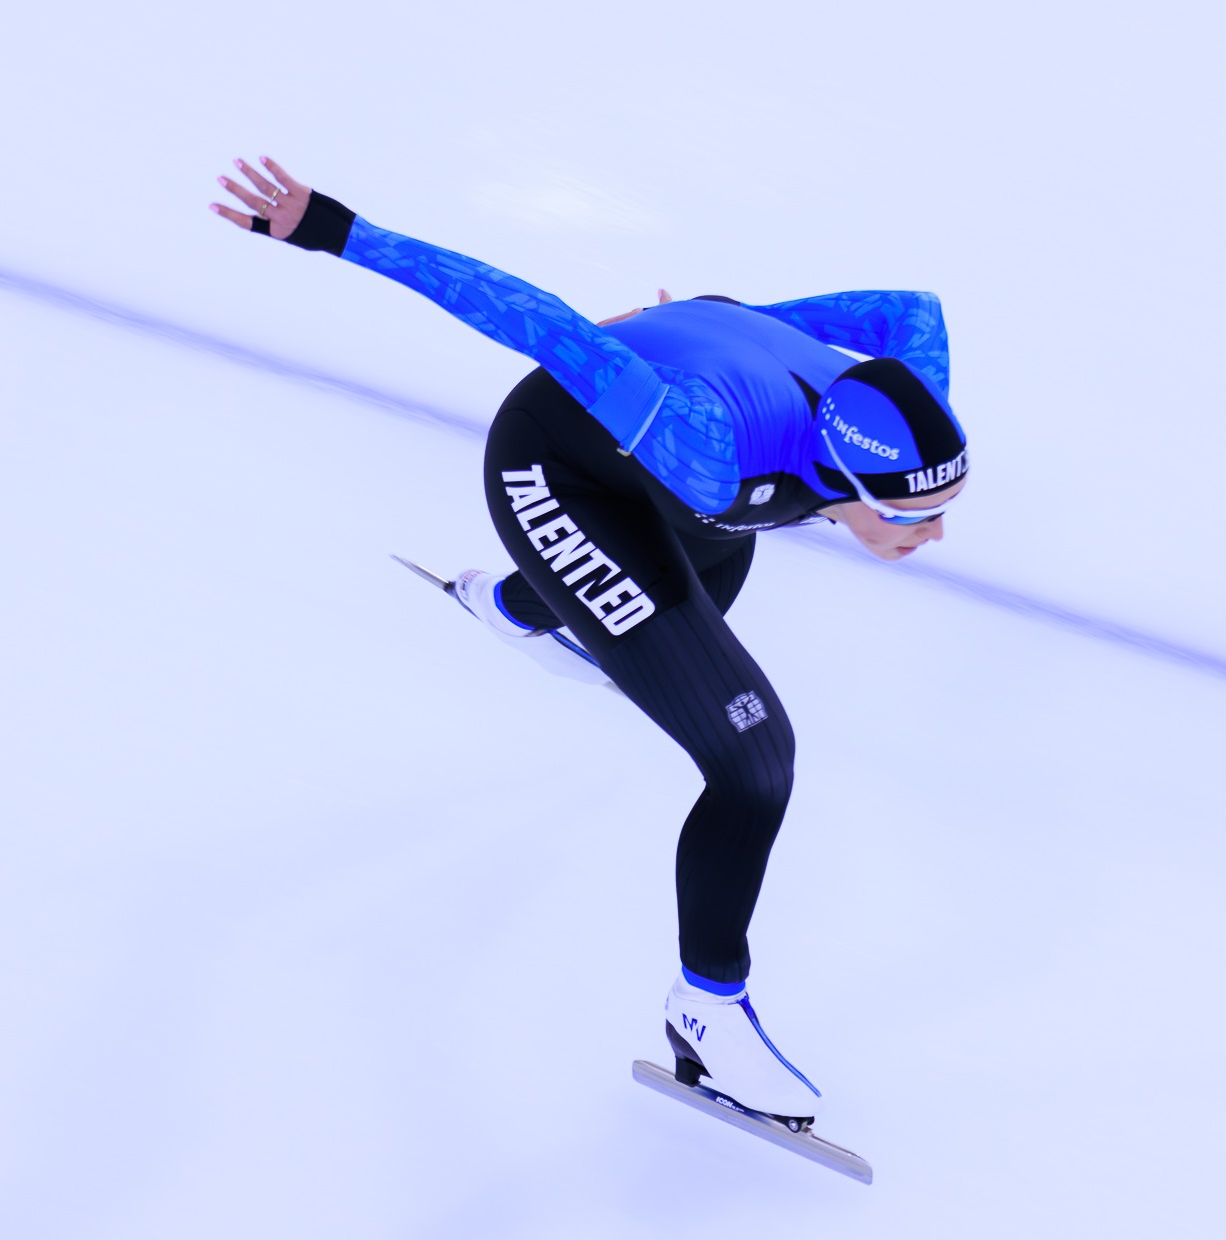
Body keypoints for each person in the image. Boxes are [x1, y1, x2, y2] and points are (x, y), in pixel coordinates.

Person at [211, 157, 968, 1125]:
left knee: (702, 589)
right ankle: (707, 1011)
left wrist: (715, 318)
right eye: (911, 514)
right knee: (753, 757)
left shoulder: (909, 384)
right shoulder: (699, 437)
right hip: (556, 465)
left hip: (680, 491)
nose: (934, 532)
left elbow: (914, 306)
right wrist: (339, 230)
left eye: (946, 503)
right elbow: (534, 320)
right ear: (846, 478)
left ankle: (524, 611)